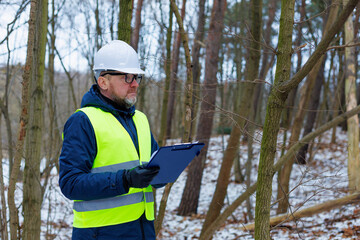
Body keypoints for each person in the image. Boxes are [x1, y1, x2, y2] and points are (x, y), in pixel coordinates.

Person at [59, 40, 163, 239]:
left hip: (142, 229)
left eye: (137, 77)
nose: (134, 84)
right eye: (127, 77)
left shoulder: (140, 119)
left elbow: (150, 169)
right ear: (103, 82)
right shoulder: (83, 121)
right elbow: (70, 183)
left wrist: (164, 172)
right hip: (100, 233)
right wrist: (125, 179)